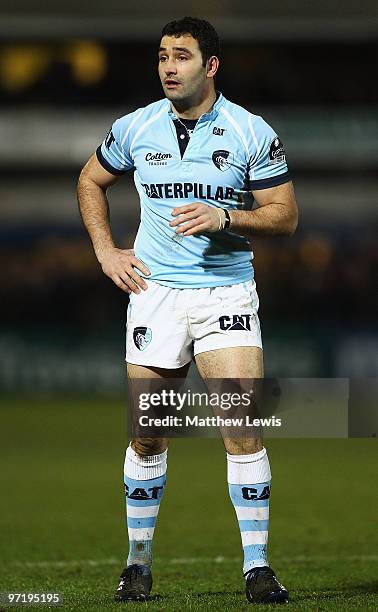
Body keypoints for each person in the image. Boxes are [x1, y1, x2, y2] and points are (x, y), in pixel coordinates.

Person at [77, 16, 298, 605]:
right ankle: (137, 565)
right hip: (155, 293)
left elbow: (284, 214)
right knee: (148, 435)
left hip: (225, 290)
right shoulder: (137, 126)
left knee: (242, 427)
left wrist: (229, 217)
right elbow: (91, 180)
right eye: (161, 56)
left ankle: (258, 568)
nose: (168, 66)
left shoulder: (251, 131)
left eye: (181, 56)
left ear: (211, 65)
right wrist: (105, 252)